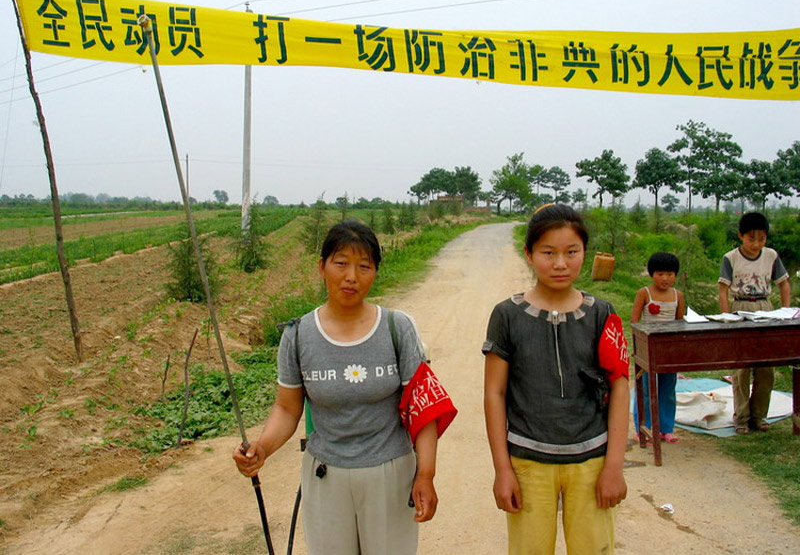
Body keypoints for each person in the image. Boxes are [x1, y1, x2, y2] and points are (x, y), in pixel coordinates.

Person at [233, 220, 456, 555]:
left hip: (390, 475)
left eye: (364, 266)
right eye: (341, 263)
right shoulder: (298, 335)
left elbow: (422, 410)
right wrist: (262, 448)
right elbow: (287, 408)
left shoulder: (397, 329)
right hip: (325, 476)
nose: (351, 276)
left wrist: (426, 473)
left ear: (375, 272)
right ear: (321, 267)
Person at [483, 204, 630, 555]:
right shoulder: (507, 316)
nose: (560, 263)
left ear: (585, 253)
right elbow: (494, 393)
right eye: (548, 253)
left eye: (571, 252)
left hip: (591, 460)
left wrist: (614, 466)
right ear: (529, 254)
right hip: (528, 461)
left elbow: (620, 386)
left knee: (595, 549)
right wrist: (503, 470)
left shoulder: (602, 314)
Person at [718, 212, 791, 435]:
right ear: (741, 236)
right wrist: (726, 318)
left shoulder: (771, 256)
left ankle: (759, 415)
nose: (756, 244)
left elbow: (784, 284)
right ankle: (741, 417)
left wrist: (785, 311)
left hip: (766, 309)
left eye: (762, 239)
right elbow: (723, 290)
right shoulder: (730, 258)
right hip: (740, 308)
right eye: (751, 239)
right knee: (741, 367)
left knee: (766, 366)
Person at [631, 252, 686, 444]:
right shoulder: (644, 293)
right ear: (651, 274)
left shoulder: (678, 296)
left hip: (669, 350)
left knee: (668, 389)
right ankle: (643, 428)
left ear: (675, 275)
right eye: (660, 274)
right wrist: (639, 348)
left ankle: (666, 428)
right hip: (648, 348)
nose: (665, 278)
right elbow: (635, 322)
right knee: (646, 389)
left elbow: (680, 323)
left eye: (670, 274)